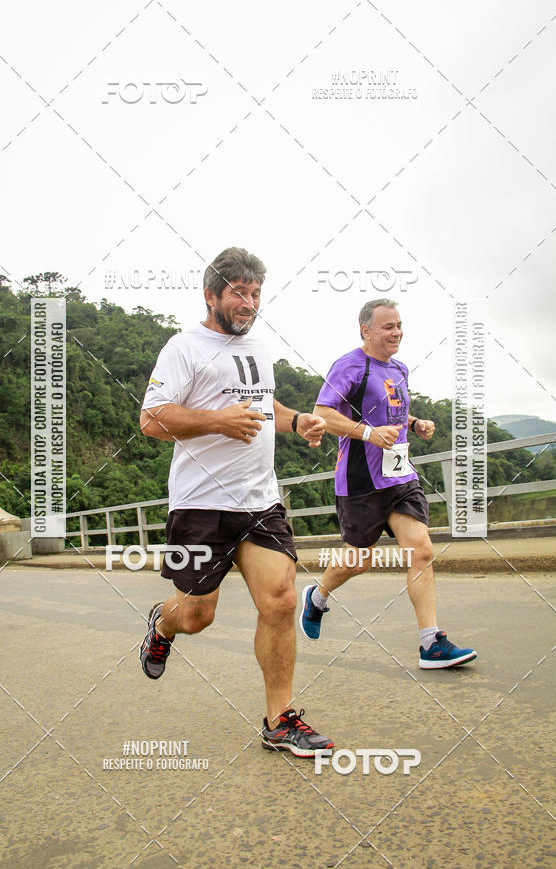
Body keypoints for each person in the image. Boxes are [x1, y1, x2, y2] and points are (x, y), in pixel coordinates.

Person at [139, 246, 334, 757]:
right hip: (201, 504)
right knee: (197, 615)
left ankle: (280, 719)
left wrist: (297, 422)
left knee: (282, 599)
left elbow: (262, 403)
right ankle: (163, 624)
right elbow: (152, 419)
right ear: (212, 296)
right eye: (238, 294)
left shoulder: (260, 349)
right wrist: (217, 420)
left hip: (260, 501)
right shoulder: (183, 348)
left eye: (255, 294)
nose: (249, 303)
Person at [299, 298, 477, 669]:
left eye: (399, 326)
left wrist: (414, 424)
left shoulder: (399, 368)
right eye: (387, 327)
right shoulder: (349, 366)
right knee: (358, 561)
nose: (396, 332)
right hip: (361, 479)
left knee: (422, 550)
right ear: (366, 330)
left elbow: (391, 406)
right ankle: (317, 596)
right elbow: (322, 415)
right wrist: (367, 432)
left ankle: (431, 643)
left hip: (400, 476)